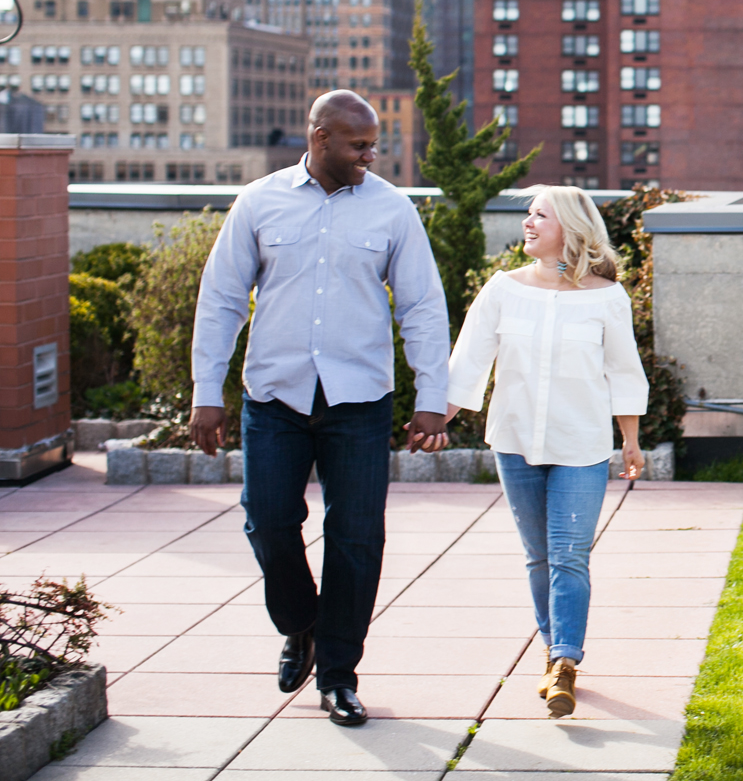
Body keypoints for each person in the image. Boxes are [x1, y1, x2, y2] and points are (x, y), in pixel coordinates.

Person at [189, 90, 452, 727]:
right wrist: (205, 392)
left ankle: (338, 675)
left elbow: (421, 306)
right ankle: (301, 623)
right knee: (266, 521)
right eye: (358, 144)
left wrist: (431, 401)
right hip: (273, 396)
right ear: (319, 138)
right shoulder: (258, 201)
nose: (371, 153)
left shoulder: (393, 210)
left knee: (357, 539)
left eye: (373, 143)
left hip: (358, 400)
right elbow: (222, 298)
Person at [446, 185, 648, 718]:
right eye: (528, 214)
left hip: (580, 446)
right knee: (539, 557)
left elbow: (623, 372)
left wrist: (629, 438)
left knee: (568, 555)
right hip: (514, 442)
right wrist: (431, 420)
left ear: (571, 230)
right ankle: (550, 649)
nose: (528, 223)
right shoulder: (502, 290)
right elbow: (468, 363)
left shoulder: (607, 296)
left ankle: (564, 661)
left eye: (541, 215)